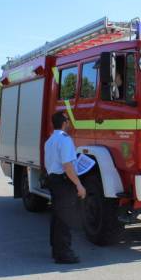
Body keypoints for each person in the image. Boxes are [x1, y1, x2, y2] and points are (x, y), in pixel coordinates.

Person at [44, 111, 87, 264]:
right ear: (64, 123)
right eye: (68, 120)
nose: (69, 122)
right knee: (64, 219)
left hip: (54, 180)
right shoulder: (65, 140)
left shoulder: (50, 140)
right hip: (63, 183)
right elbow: (67, 166)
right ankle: (64, 254)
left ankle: (56, 250)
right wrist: (79, 185)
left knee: (57, 217)